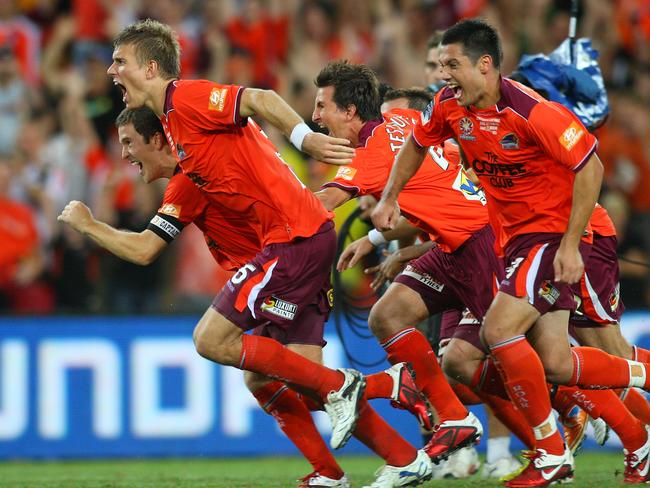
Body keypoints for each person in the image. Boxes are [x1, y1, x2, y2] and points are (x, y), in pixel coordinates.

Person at [107, 19, 432, 488]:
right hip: (298, 240)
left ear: (151, 67)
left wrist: (305, 138)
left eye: (121, 61)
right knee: (282, 378)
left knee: (211, 341)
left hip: (292, 240)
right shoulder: (179, 129)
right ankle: (401, 453)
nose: (112, 70)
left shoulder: (187, 102)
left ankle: (355, 395)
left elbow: (257, 99)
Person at [372, 18, 650, 486]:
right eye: (440, 65)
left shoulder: (532, 112)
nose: (443, 75)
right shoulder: (447, 107)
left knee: (514, 332)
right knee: (556, 362)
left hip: (554, 235)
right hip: (511, 243)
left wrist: (568, 245)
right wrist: (389, 197)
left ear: (485, 66)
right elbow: (418, 144)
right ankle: (616, 425)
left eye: (451, 64)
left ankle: (552, 452)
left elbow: (591, 166)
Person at [311, 60, 489, 464]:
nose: (315, 117)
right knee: (387, 315)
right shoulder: (406, 118)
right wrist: (375, 237)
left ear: (350, 112)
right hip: (450, 248)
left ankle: (578, 422)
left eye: (322, 106)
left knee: (547, 361)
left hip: (482, 245)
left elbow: (318, 207)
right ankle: (454, 417)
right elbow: (433, 187)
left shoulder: (371, 152)